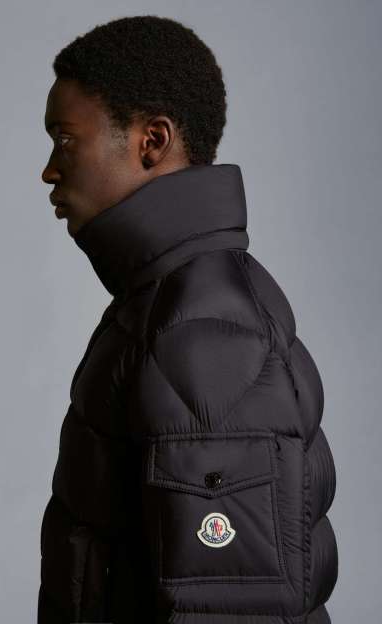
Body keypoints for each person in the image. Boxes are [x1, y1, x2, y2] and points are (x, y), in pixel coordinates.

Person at [38, 15, 338, 624]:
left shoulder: (203, 334)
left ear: (152, 141)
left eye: (65, 141)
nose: (49, 169)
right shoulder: (167, 305)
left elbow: (232, 610)